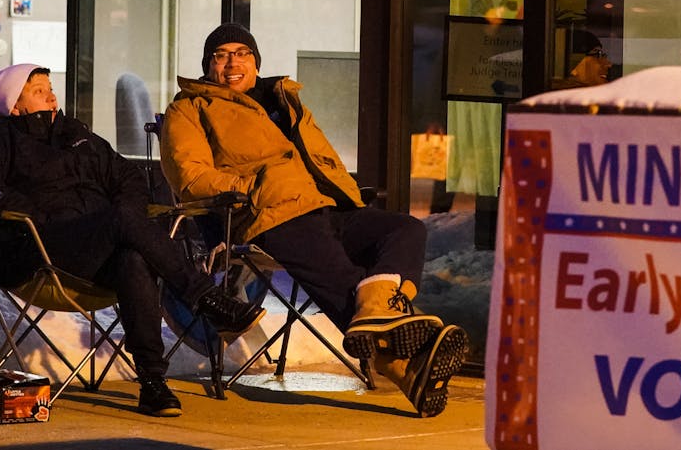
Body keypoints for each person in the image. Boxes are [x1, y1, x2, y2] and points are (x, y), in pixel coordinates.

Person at [160, 23, 468, 418]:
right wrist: (256, 187)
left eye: (242, 53)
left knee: (405, 229)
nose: (232, 62)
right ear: (208, 66)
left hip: (327, 205)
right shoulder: (189, 108)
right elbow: (190, 177)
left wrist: (347, 194)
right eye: (221, 55)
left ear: (255, 63)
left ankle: (380, 317)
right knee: (337, 271)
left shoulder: (285, 100)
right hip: (267, 212)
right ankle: (406, 366)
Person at [0, 63, 262, 418]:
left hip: (96, 247)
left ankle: (152, 383)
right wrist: (46, 219)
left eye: (50, 87)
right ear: (14, 105)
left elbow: (129, 178)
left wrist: (121, 216)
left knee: (133, 257)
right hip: (39, 250)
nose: (51, 94)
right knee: (122, 221)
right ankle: (207, 299)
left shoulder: (77, 135)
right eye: (38, 91)